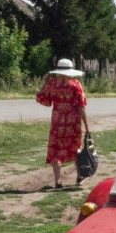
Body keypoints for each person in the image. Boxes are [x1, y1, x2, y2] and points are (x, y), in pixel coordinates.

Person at [36, 58, 91, 189]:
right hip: (72, 122)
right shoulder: (75, 84)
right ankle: (79, 176)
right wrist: (87, 126)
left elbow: (41, 98)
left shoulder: (52, 84)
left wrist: (45, 83)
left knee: (56, 150)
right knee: (76, 148)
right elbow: (80, 106)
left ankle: (58, 182)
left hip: (57, 121)